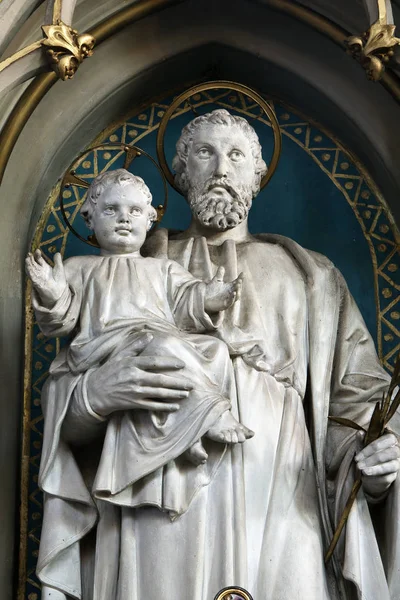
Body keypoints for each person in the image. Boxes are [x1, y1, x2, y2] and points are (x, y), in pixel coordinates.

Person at [35, 110, 400, 600]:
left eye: (236, 156)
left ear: (258, 172)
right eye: (205, 153)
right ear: (182, 173)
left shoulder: (313, 276)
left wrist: (377, 459)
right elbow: (67, 393)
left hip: (281, 500)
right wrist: (94, 397)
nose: (222, 169)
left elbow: (357, 405)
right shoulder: (132, 268)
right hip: (157, 497)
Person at [27, 169, 255, 519]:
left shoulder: (160, 269)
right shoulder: (79, 267)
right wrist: (52, 292)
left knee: (215, 350)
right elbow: (62, 319)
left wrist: (211, 297)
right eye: (110, 210)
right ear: (89, 218)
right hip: (107, 348)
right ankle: (210, 415)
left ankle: (188, 432)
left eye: (134, 212)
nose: (123, 219)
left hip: (158, 340)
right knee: (164, 347)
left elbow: (187, 299)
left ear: (150, 220)